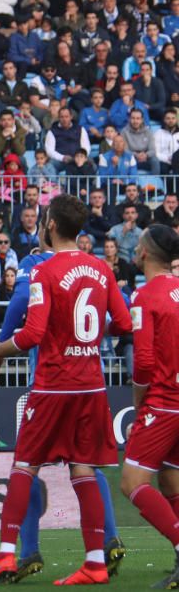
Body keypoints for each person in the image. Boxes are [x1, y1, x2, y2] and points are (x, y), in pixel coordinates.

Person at [0, 194, 132, 586]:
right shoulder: (101, 269)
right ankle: (95, 562)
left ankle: (8, 556)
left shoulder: (44, 271)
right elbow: (126, 324)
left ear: (49, 225)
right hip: (92, 386)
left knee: (24, 466)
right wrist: (93, 335)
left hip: (53, 387)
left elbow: (32, 334)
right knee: (83, 469)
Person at [119, 225, 179, 589]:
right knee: (171, 478)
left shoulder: (145, 296)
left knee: (132, 482)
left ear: (145, 252)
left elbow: (142, 364)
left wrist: (140, 406)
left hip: (165, 401)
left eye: (139, 242)